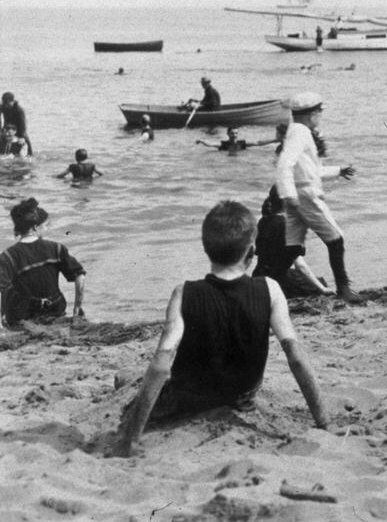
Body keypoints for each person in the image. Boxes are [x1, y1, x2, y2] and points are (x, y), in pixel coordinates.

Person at [112, 201, 328, 456]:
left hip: (190, 397)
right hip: (242, 396)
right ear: (251, 251)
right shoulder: (270, 289)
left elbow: (161, 364)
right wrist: (323, 422)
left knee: (124, 379)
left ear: (206, 249)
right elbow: (296, 357)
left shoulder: (184, 292)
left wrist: (133, 437)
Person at [274, 91, 361, 304]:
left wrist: (337, 170)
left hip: (299, 191)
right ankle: (344, 289)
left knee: (293, 245)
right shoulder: (301, 132)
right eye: (319, 112)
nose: (320, 116)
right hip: (305, 194)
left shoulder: (296, 131)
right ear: (311, 114)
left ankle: (270, 280)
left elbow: (310, 170)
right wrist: (290, 195)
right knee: (336, 238)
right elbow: (285, 164)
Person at [0, 199, 86, 329]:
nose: (46, 229)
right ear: (35, 227)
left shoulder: (7, 257)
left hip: (25, 319)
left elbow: (5, 290)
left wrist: (3, 318)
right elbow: (80, 276)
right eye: (45, 226)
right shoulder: (56, 248)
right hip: (55, 313)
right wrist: (76, 309)